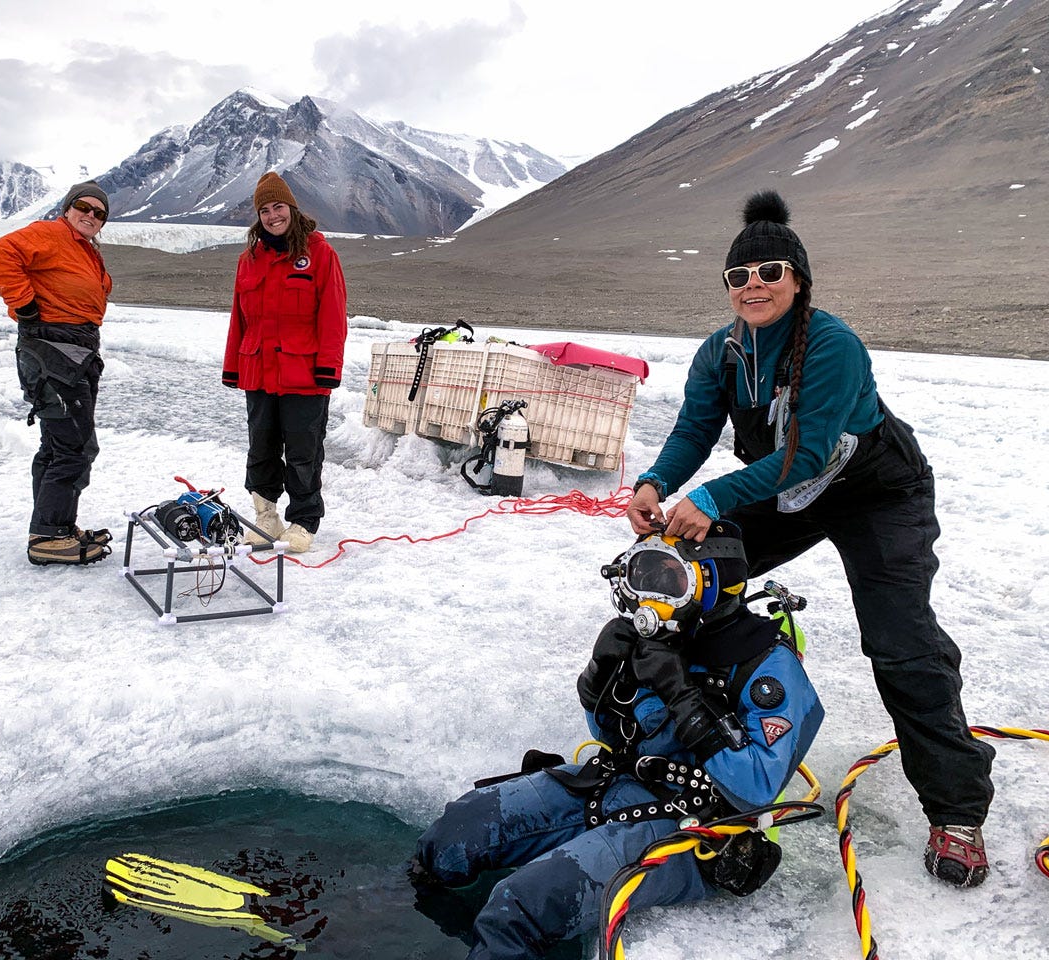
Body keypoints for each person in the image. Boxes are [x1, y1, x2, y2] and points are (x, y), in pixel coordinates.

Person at [625, 189, 994, 887]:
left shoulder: (832, 345)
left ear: (797, 279)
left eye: (769, 271)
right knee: (683, 583)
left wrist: (707, 496)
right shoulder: (722, 353)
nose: (753, 285)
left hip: (878, 496)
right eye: (740, 276)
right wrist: (655, 482)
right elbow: (693, 431)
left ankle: (957, 808)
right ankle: (700, 744)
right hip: (788, 495)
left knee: (901, 644)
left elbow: (809, 454)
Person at [412, 523, 823, 960]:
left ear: (713, 586)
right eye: (646, 576)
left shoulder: (769, 668)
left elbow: (755, 789)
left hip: (701, 827)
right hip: (619, 782)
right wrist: (598, 676)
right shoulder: (662, 640)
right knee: (455, 835)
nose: (652, 595)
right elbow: (612, 735)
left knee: (520, 908)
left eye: (670, 580)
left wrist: (682, 696)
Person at [0, 180, 114, 566]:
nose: (90, 215)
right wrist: (23, 305)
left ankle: (54, 526)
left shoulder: (81, 247)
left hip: (73, 350)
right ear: (68, 208)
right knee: (74, 447)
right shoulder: (51, 234)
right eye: (84, 207)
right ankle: (49, 535)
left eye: (99, 212)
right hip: (54, 350)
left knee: (60, 445)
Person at [222, 171, 347, 554]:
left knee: (302, 451)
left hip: (304, 374)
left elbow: (333, 315)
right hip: (259, 370)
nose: (272, 215)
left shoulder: (320, 254)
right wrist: (233, 366)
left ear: (291, 209)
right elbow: (239, 317)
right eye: (264, 210)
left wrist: (329, 367)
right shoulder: (249, 260)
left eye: (278, 207)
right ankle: (266, 517)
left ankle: (304, 521)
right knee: (260, 448)